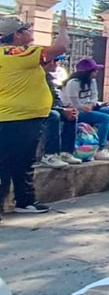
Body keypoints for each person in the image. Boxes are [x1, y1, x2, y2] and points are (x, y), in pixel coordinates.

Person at [0, 12, 69, 217]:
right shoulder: (19, 53)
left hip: (15, 117)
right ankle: (23, 201)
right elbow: (61, 47)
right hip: (19, 119)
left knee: (15, 162)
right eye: (26, 29)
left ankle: (24, 201)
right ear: (16, 35)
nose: (30, 31)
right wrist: (63, 27)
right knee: (16, 162)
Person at [63, 58, 109, 161]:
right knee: (105, 118)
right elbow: (73, 102)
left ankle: (105, 143)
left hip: (90, 108)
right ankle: (100, 149)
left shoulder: (92, 81)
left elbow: (94, 96)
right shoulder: (73, 83)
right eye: (94, 70)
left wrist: (92, 104)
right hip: (78, 112)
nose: (96, 72)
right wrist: (84, 107)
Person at [40, 56, 81, 168]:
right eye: (54, 61)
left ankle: (66, 152)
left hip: (48, 108)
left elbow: (55, 97)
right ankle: (50, 155)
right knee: (54, 115)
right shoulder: (35, 77)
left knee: (71, 114)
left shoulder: (48, 77)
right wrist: (61, 110)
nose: (57, 64)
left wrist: (65, 107)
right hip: (35, 110)